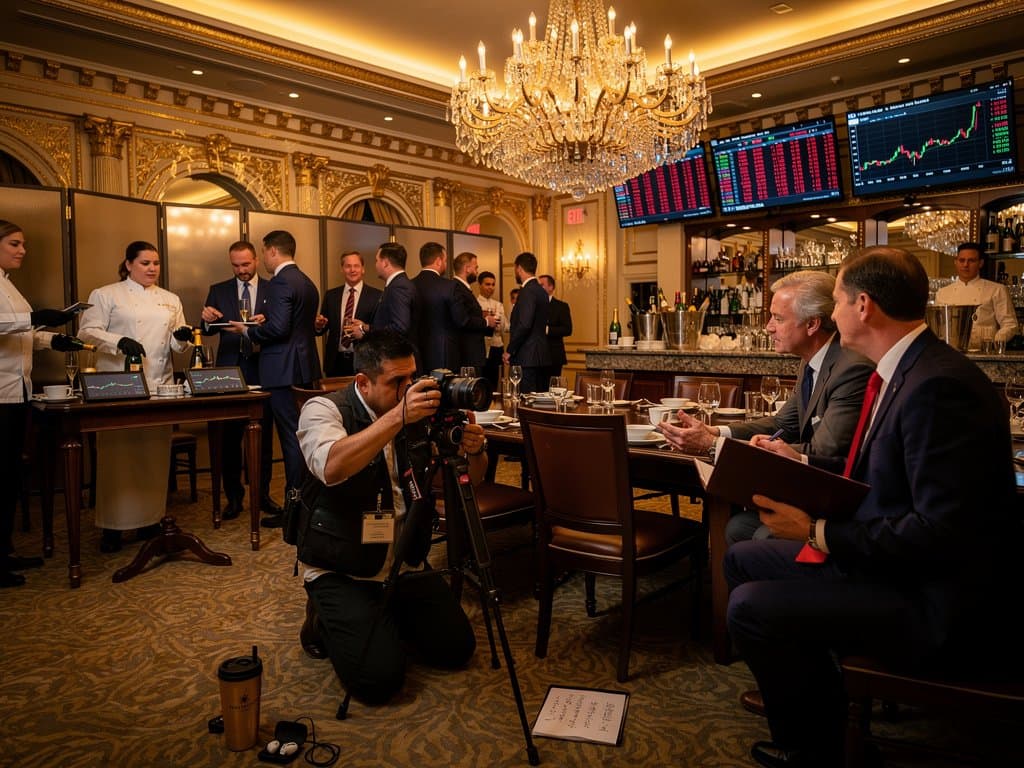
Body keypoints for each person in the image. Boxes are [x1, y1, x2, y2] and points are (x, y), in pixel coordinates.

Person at [724, 246, 1017, 768]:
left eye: (835, 301)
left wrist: (816, 532)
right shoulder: (902, 370)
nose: (831, 315)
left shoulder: (938, 385)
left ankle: (821, 749)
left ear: (864, 306)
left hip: (934, 597)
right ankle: (821, 704)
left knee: (749, 605)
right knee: (743, 555)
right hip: (891, 561)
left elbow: (939, 532)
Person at [295, 329, 485, 705]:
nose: (409, 388)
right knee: (378, 681)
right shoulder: (324, 409)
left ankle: (380, 619)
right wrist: (398, 417)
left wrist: (473, 452)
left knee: (456, 649)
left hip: (401, 560)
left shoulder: (418, 413)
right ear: (362, 383)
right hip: (342, 565)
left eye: (412, 378)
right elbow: (332, 465)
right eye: (396, 381)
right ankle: (321, 617)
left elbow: (471, 481)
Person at [660, 270, 874, 546]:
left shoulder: (851, 368)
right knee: (737, 520)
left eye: (778, 318)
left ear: (812, 325)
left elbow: (824, 453)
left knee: (744, 525)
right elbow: (782, 424)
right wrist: (716, 431)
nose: (768, 327)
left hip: (836, 504)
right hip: (808, 488)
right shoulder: (811, 361)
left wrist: (714, 444)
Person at [78, 240, 194, 552]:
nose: (152, 268)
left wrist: (182, 339)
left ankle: (151, 520)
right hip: (119, 386)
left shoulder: (170, 299)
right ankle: (112, 527)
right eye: (145, 263)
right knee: (117, 455)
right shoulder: (105, 294)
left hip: (158, 383)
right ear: (128, 264)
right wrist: (119, 341)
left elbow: (175, 344)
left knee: (154, 453)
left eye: (156, 263)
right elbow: (87, 331)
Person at [0, 220, 82, 586]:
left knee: (8, 476)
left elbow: (21, 336)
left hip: (18, 391)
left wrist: (53, 341)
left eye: (23, 244)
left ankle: (4, 553)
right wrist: (35, 318)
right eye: (15, 244)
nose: (22, 250)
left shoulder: (9, 286)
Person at [228, 230, 321, 527]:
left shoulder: (280, 282)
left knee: (292, 440)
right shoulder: (306, 281)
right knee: (301, 437)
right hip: (303, 367)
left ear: (270, 252)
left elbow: (280, 330)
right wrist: (266, 321)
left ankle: (294, 508)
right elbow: (293, 325)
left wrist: (248, 331)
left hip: (282, 371)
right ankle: (305, 502)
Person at [200, 240, 276, 520]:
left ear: (256, 260)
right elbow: (206, 330)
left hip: (263, 369)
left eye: (246, 264)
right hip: (229, 372)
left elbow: (281, 325)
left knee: (264, 439)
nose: (241, 270)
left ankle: (263, 494)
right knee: (229, 440)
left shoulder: (273, 289)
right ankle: (233, 498)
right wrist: (206, 319)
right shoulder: (218, 290)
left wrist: (267, 322)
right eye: (235, 265)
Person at [934, 241, 1017, 347]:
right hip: (951, 353)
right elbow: (938, 327)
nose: (965, 265)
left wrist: (995, 342)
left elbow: (1010, 324)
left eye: (971, 260)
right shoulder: (942, 293)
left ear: (980, 263)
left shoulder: (997, 290)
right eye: (962, 260)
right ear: (956, 262)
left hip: (985, 354)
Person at [411, 242, 476, 373]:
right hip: (444, 353)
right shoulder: (449, 286)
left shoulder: (410, 285)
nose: (446, 265)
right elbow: (461, 320)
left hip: (416, 352)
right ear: (439, 261)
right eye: (445, 260)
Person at [315, 250, 381, 377]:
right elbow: (322, 327)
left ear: (363, 269)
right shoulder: (331, 295)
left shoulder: (376, 296)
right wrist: (318, 325)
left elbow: (379, 329)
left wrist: (363, 329)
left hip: (364, 361)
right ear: (342, 269)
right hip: (335, 362)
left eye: (356, 266)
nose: (352, 270)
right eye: (348, 266)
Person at [503, 252, 550, 394]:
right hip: (541, 355)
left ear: (519, 268)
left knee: (525, 402)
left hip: (527, 357)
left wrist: (510, 350)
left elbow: (524, 324)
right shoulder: (541, 291)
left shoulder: (527, 291)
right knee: (540, 403)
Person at [358, 242, 419, 344]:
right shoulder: (397, 284)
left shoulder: (398, 287)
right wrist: (364, 326)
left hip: (397, 356)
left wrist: (366, 329)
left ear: (385, 263)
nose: (375, 265)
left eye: (377, 260)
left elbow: (399, 327)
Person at [451, 250, 496, 375]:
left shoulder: (462, 288)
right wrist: (486, 321)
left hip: (471, 353)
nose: (477, 271)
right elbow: (463, 320)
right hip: (468, 354)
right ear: (467, 268)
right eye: (475, 267)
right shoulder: (457, 288)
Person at [537, 274, 572, 379]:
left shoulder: (561, 306)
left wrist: (547, 330)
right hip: (535, 356)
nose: (538, 288)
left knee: (552, 390)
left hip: (553, 356)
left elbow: (568, 329)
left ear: (551, 287)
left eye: (541, 285)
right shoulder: (533, 304)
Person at [475, 270, 505, 393]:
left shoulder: (498, 304)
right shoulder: (475, 303)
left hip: (495, 346)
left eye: (493, 284)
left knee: (493, 381)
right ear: (480, 285)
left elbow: (504, 328)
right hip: (480, 346)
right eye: (487, 284)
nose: (491, 287)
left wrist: (499, 320)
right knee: (480, 380)